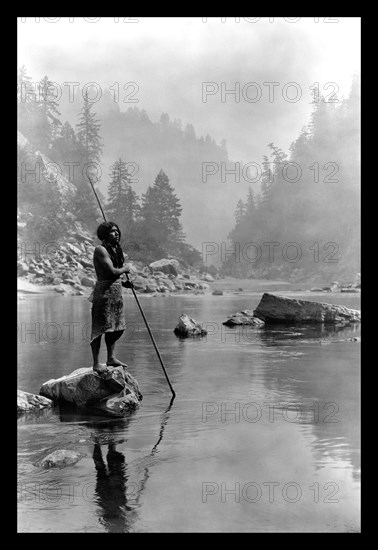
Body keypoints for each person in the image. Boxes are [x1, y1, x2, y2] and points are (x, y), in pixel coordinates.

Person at [90, 221, 133, 374]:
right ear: (104, 235)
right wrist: (125, 269)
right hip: (103, 293)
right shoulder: (100, 249)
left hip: (116, 292)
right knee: (99, 328)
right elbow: (111, 272)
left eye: (117, 231)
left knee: (116, 327)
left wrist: (125, 284)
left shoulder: (116, 249)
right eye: (112, 232)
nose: (117, 234)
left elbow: (116, 276)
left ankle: (111, 358)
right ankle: (96, 363)